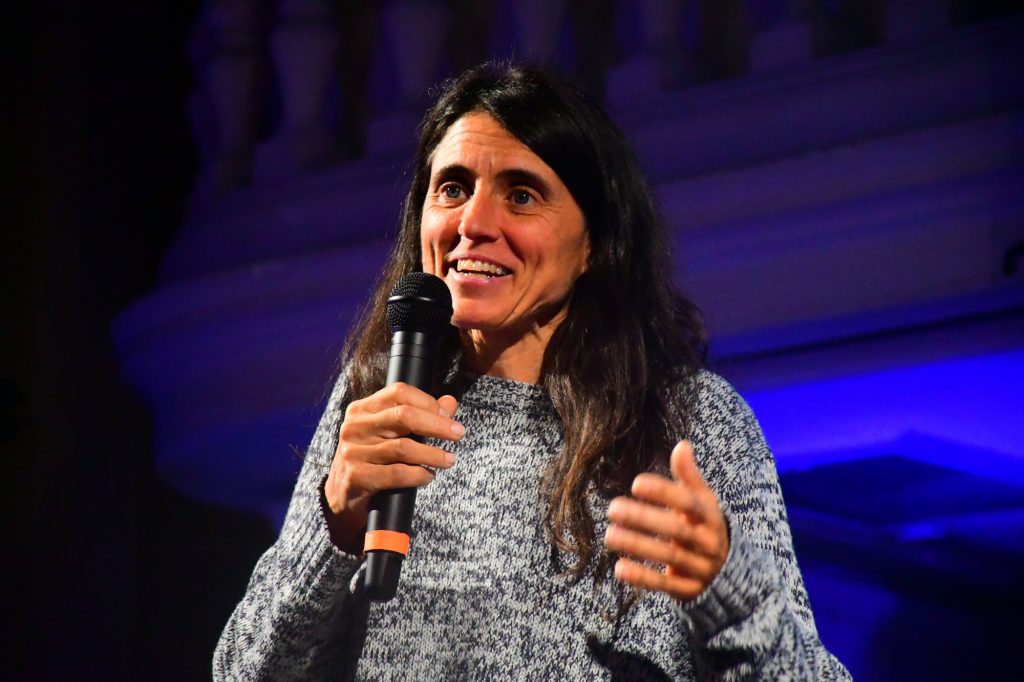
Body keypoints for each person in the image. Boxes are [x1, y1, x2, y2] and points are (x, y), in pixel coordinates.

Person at [214, 62, 851, 680]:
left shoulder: (690, 423)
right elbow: (246, 672)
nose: (473, 224)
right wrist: (336, 525)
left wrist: (729, 592)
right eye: (453, 188)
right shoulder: (379, 397)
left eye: (521, 195)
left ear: (594, 245)